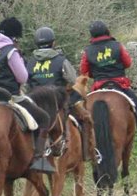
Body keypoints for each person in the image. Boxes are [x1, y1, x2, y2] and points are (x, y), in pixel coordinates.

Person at [0, 17, 55, 173]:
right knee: (43, 118)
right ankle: (39, 160)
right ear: (14, 37)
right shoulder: (10, 51)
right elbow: (23, 77)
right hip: (9, 96)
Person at [79, 20, 137, 146]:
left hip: (99, 86)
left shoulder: (88, 51)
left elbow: (83, 71)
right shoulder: (117, 45)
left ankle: (83, 143)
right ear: (106, 31)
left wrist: (95, 72)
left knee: (81, 111)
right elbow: (128, 63)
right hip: (120, 84)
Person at [27, 26, 94, 162]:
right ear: (53, 43)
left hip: (36, 101)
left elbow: (25, 81)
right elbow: (72, 80)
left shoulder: (30, 62)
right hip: (58, 99)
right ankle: (87, 153)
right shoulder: (61, 60)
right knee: (84, 118)